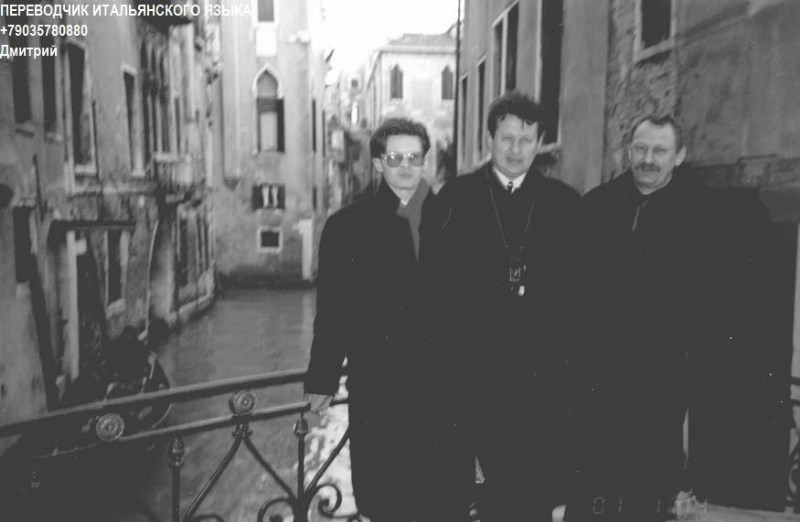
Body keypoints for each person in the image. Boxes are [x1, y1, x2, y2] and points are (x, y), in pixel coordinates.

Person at [565, 115, 790, 520]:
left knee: (649, 488)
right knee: (594, 484)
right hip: (599, 376)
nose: (648, 159)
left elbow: (718, 303)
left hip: (662, 381)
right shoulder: (596, 206)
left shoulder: (704, 215)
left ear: (680, 155)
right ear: (628, 151)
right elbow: (575, 291)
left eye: (660, 150)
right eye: (640, 149)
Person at [432, 91, 582, 521]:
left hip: (540, 384)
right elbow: (437, 292)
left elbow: (578, 297)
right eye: (507, 139)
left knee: (531, 500)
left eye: (526, 139)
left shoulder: (565, 203)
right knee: (472, 499)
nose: (516, 150)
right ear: (490, 140)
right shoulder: (455, 198)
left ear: (540, 143)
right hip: (473, 381)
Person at [304, 117, 445, 521]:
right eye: (396, 158)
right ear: (379, 163)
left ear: (424, 161)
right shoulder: (346, 227)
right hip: (378, 386)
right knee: (382, 499)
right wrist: (322, 381)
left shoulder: (453, 219)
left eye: (414, 157)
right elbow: (333, 311)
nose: (406, 166)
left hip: (442, 391)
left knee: (438, 500)